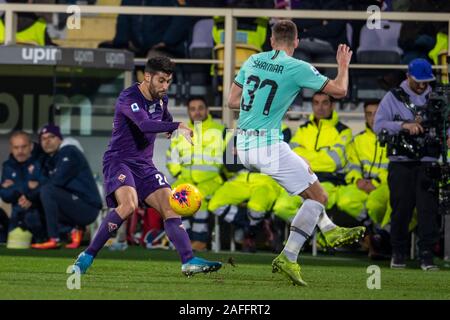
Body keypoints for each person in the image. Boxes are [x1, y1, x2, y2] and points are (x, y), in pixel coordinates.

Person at [228, 20, 365, 286]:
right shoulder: (296, 67)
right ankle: (289, 256)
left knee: (308, 179)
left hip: (243, 146)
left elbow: (232, 101)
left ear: (271, 41)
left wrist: (261, 110)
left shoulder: (253, 60)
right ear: (296, 42)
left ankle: (329, 229)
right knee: (319, 196)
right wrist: (344, 66)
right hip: (266, 145)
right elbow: (340, 90)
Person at [72, 56, 222, 276]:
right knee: (129, 205)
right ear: (147, 76)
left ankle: (188, 260)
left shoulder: (162, 99)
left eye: (168, 81)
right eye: (161, 80)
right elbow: (144, 124)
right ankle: (87, 255)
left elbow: (163, 116)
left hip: (144, 165)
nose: (165, 86)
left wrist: (171, 126)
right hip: (119, 161)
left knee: (170, 206)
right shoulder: (128, 97)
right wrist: (177, 125)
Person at [373, 58, 440, 271]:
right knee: (400, 210)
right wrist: (403, 125)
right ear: (408, 76)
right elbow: (379, 125)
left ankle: (427, 255)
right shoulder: (392, 97)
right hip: (401, 162)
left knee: (428, 210)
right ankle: (399, 253)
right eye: (418, 81)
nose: (422, 85)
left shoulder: (437, 96)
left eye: (426, 81)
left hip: (428, 161)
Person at [166, 96, 228, 251]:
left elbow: (230, 159)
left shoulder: (220, 131)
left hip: (211, 180)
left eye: (200, 108)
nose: (197, 112)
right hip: (185, 179)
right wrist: (178, 172)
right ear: (188, 112)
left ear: (207, 110)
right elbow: (171, 157)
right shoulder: (181, 132)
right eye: (193, 109)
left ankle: (200, 240)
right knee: (174, 199)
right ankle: (184, 238)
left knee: (199, 199)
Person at [31, 124, 101, 249]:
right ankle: (73, 231)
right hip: (73, 205)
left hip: (88, 208)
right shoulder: (50, 160)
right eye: (43, 138)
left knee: (47, 190)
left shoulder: (69, 151)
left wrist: (32, 192)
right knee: (38, 197)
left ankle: (54, 238)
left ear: (60, 139)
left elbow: (57, 181)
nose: (47, 141)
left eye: (51, 137)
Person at [0, 131, 46, 244]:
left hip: (39, 214)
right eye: (16, 147)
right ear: (11, 148)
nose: (20, 151)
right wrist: (27, 185)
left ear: (30, 146)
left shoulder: (40, 162)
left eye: (23, 147)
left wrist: (16, 187)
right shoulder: (8, 166)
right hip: (16, 216)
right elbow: (5, 195)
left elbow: (45, 187)